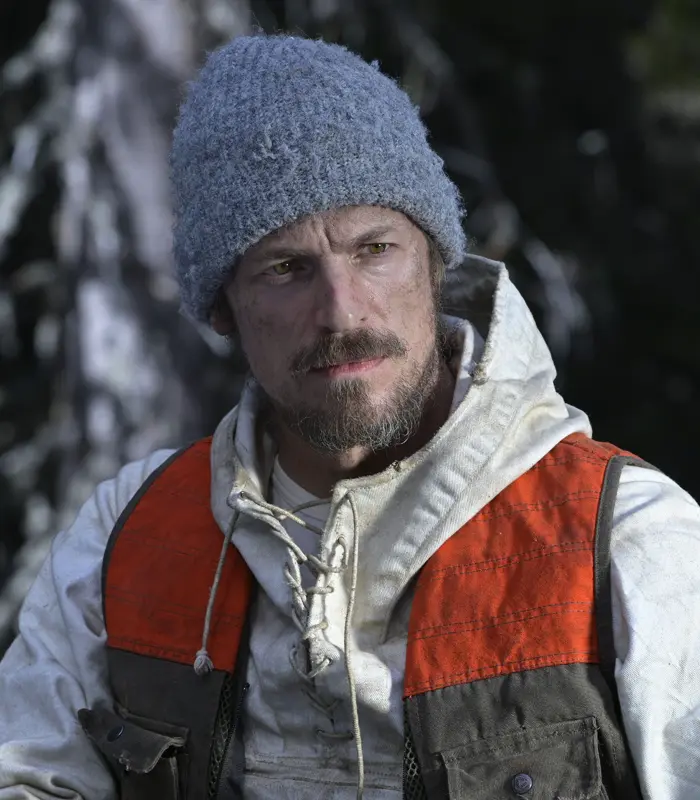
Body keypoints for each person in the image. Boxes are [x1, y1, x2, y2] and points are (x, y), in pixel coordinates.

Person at [0, 33, 699, 800]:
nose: (341, 311)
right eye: (286, 268)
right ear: (224, 308)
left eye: (374, 249)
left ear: (435, 264)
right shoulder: (128, 534)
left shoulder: (626, 540)